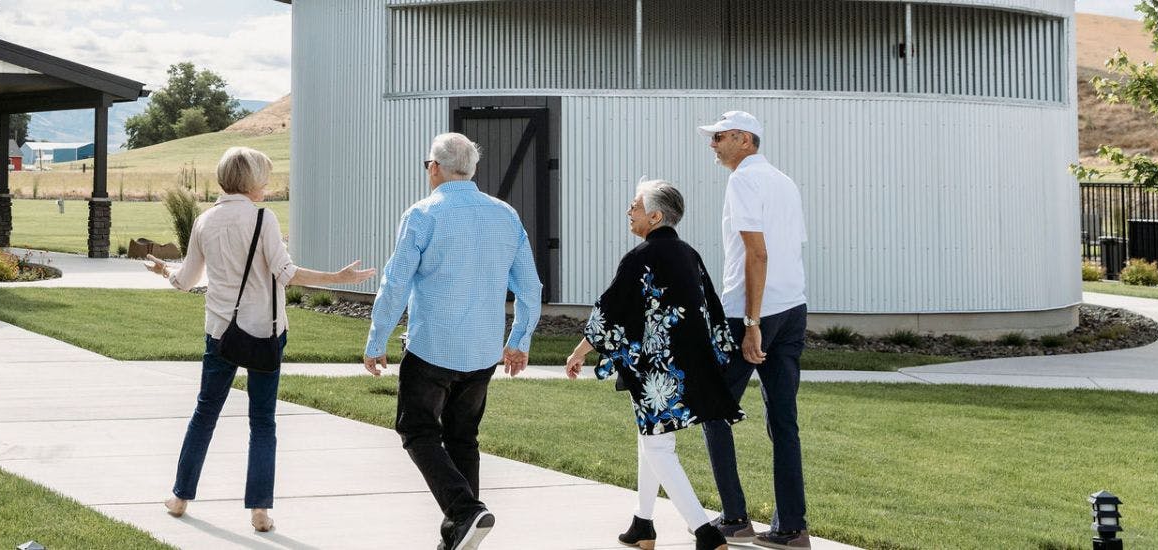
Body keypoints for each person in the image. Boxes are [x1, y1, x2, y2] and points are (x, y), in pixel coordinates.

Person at [144, 146, 375, 533]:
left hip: (220, 334)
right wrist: (338, 278)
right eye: (264, 177)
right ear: (251, 182)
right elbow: (286, 273)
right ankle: (259, 511)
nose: (267, 185)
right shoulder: (264, 220)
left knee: (205, 414)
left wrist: (163, 269)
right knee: (262, 421)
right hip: (266, 333)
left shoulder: (204, 221)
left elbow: (185, 281)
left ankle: (181, 497)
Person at [361, 133, 541, 550]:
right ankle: (458, 535)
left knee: (417, 430)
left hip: (432, 348)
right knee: (463, 439)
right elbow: (530, 286)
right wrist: (519, 339)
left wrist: (377, 339)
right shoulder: (506, 215)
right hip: (482, 352)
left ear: (435, 167)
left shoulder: (424, 214)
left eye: (428, 163)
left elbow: (396, 282)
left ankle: (464, 512)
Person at [566, 179, 743, 550]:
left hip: (656, 371)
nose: (629, 211)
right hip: (689, 364)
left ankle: (704, 532)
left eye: (635, 205)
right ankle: (642, 523)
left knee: (658, 446)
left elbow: (610, 311)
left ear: (655, 215)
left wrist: (581, 351)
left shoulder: (639, 258)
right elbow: (711, 310)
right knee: (652, 439)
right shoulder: (689, 254)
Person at [695, 111, 812, 549]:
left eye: (719, 137)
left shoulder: (743, 180)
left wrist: (751, 323)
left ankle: (734, 517)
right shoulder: (784, 181)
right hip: (793, 307)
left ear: (744, 139)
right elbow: (790, 250)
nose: (713, 145)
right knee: (784, 421)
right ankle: (791, 528)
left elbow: (757, 254)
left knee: (712, 407)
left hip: (752, 313)